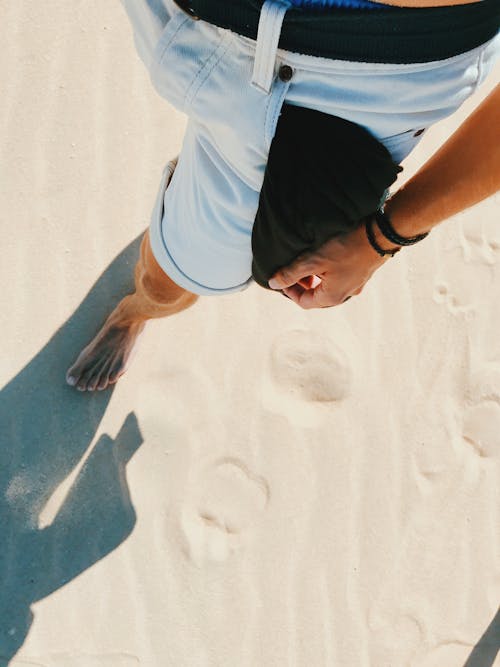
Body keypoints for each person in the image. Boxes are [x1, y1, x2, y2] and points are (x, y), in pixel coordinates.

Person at [66, 0, 499, 392]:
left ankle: (138, 309)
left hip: (357, 72)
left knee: (194, 268)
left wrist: (381, 238)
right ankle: (196, 186)